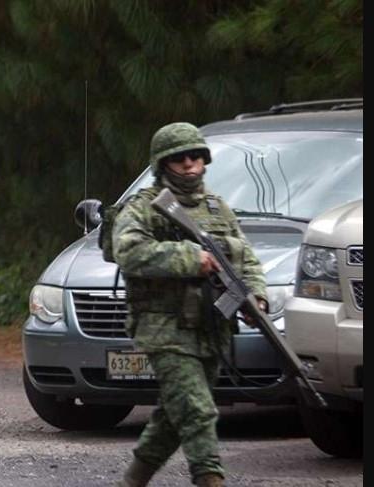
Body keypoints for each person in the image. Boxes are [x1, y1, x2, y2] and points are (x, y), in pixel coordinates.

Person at [112, 122, 268, 487]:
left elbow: (245, 257)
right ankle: (210, 479)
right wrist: (189, 258)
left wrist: (255, 294)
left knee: (174, 415)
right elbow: (129, 252)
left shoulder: (217, 208)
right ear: (162, 163)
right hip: (163, 327)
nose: (189, 164)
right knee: (198, 411)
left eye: (195, 156)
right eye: (179, 158)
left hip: (210, 328)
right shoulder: (144, 208)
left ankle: (131, 482)